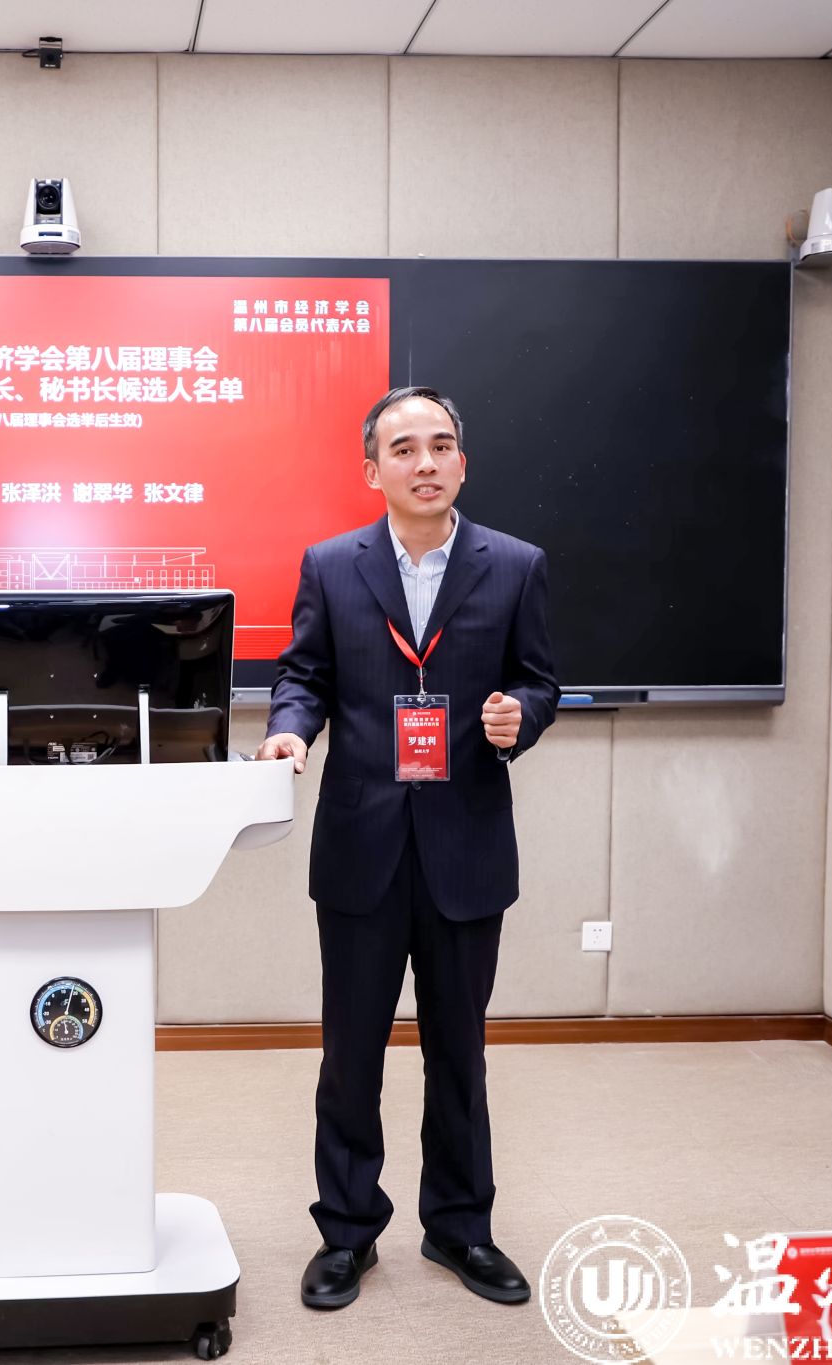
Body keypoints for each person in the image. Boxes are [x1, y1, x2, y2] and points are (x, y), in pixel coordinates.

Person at [257, 385, 557, 1311]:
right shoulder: (331, 566)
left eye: (441, 445)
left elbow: (539, 680)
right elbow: (304, 674)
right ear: (372, 470)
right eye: (404, 448)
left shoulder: (515, 565)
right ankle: (347, 1233)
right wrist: (289, 731)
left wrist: (520, 715)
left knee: (458, 1050)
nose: (425, 462)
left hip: (467, 843)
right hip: (362, 843)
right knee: (351, 1053)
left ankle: (461, 1227)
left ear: (463, 460)